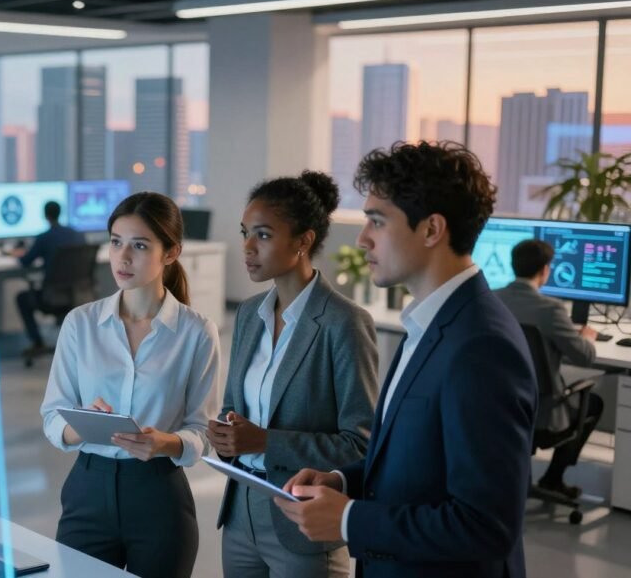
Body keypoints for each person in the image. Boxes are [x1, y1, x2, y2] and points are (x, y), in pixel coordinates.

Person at [276, 141, 537, 578]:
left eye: (377, 221)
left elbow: (486, 524)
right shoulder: (428, 323)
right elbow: (415, 465)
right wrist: (342, 482)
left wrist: (347, 519)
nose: (362, 239)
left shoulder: (481, 346)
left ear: (432, 229)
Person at [39, 192, 221, 578]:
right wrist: (80, 424)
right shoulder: (80, 323)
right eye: (116, 242)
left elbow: (203, 430)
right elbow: (52, 415)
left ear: (170, 253)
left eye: (139, 245)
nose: (123, 257)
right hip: (87, 488)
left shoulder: (196, 332)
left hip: (158, 494)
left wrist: (166, 443)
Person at [206, 172, 378, 578]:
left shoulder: (344, 323)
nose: (247, 247)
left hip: (302, 518)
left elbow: (362, 444)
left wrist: (266, 442)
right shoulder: (250, 314)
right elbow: (234, 406)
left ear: (303, 241)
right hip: (240, 513)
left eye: (263, 235)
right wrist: (226, 434)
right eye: (245, 232)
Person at [495, 238, 604, 499]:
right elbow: (584, 357)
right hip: (540, 413)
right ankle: (552, 479)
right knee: (594, 402)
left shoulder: (492, 299)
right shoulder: (551, 309)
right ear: (545, 270)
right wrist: (588, 337)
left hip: (499, 405)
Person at [13, 200, 84, 358]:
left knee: (21, 298)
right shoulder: (77, 235)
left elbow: (25, 262)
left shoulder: (44, 238)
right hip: (77, 296)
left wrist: (16, 253)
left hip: (51, 298)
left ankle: (37, 342)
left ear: (46, 215)